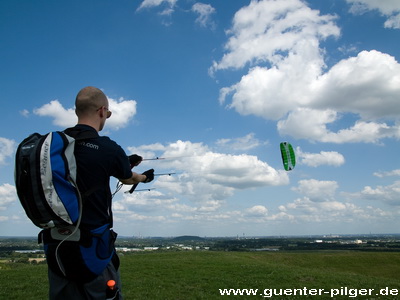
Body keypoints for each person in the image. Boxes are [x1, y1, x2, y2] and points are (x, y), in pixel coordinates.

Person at [42, 86, 154, 299]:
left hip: (57, 250)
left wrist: (122, 163)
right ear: (102, 111)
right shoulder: (107, 147)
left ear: (77, 111)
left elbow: (81, 168)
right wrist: (144, 177)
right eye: (108, 114)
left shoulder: (55, 148)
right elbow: (128, 178)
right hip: (93, 251)